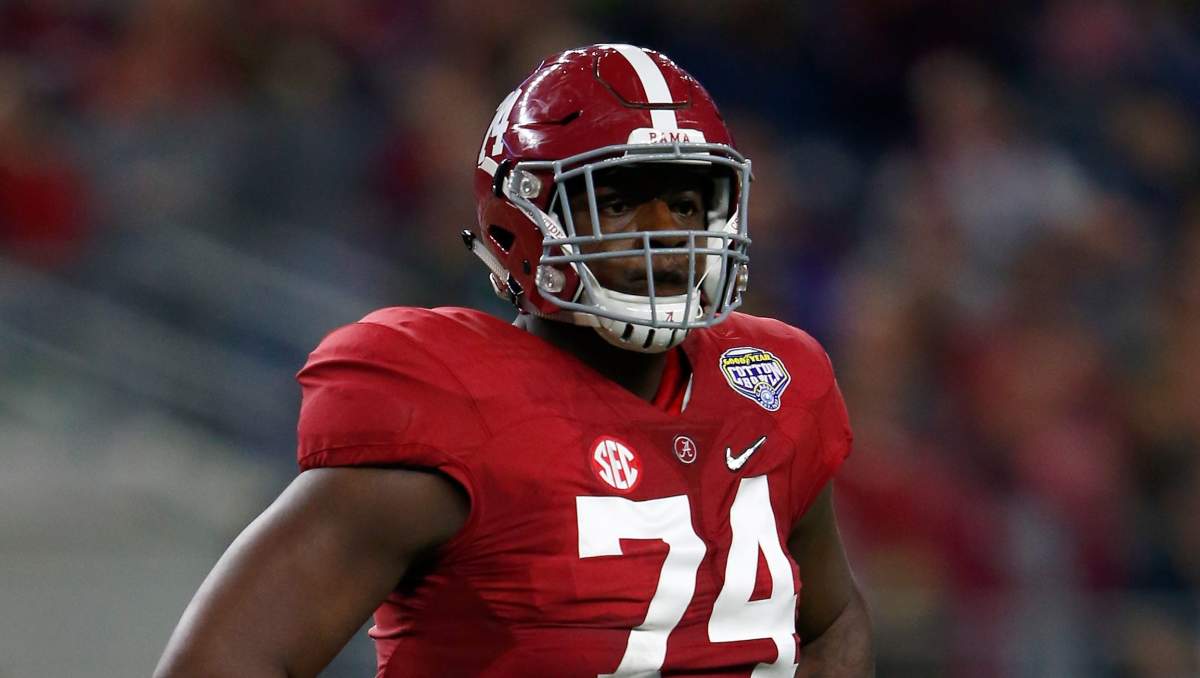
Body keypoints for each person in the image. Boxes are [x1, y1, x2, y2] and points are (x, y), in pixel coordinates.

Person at [155, 44, 874, 678]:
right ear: (523, 218)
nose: (662, 237)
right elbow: (220, 663)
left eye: (685, 205)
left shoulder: (772, 382)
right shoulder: (456, 404)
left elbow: (833, 621)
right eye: (618, 203)